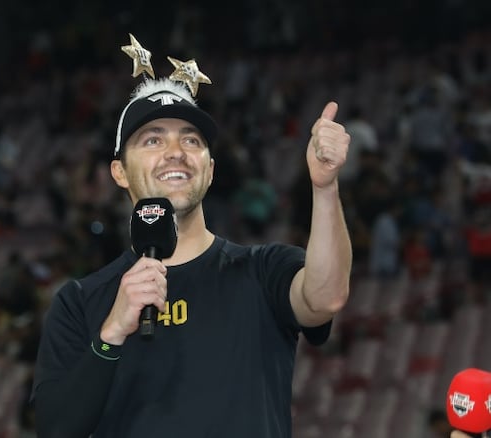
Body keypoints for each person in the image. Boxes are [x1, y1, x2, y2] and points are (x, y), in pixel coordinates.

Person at [32, 35, 352, 438]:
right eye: (153, 139)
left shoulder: (263, 270)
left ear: (210, 169)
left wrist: (325, 188)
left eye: (191, 139)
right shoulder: (80, 302)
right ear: (119, 172)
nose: (175, 151)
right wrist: (110, 335)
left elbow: (325, 299)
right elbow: (54, 429)